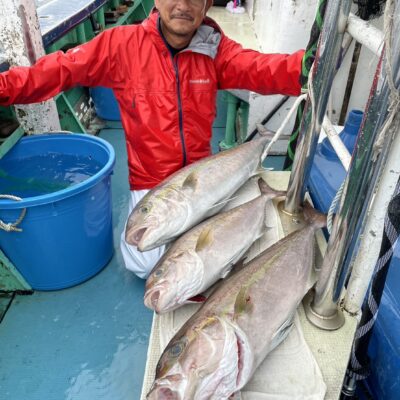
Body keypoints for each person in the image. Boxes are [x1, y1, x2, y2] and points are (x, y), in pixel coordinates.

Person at [0, 0, 304, 279]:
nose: (183, 6)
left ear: (208, 5)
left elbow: (261, 69)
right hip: (151, 179)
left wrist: (305, 68)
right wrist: (4, 87)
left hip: (199, 175)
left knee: (232, 252)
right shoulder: (120, 45)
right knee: (143, 264)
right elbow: (59, 70)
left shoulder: (215, 48)